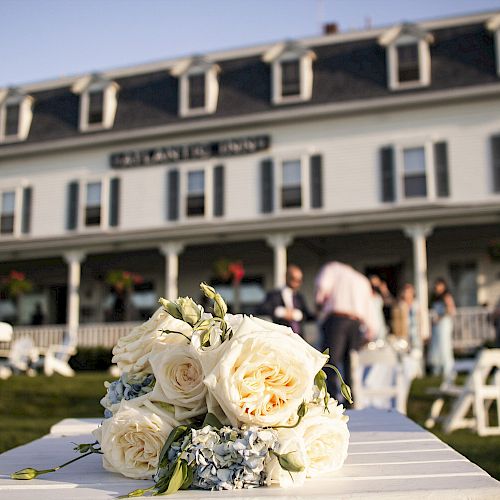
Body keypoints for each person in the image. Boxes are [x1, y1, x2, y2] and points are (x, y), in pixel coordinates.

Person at [315, 261, 378, 402]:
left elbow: (322, 286)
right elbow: (369, 306)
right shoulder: (362, 280)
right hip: (356, 323)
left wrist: (319, 302)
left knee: (330, 361)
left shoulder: (332, 268)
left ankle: (331, 399)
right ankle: (349, 400)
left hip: (337, 320)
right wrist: (371, 330)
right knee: (350, 361)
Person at [258, 264, 314, 336]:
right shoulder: (274, 295)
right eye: (293, 278)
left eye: (299, 280)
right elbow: (262, 309)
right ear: (286, 277)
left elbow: (307, 315)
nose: (296, 282)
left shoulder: (299, 297)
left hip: (298, 336)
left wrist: (297, 314)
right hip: (281, 336)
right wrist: (282, 312)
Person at [428, 278, 456, 378]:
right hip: (436, 325)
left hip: (444, 324)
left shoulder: (446, 296)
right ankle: (437, 369)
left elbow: (451, 310)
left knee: (445, 346)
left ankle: (448, 369)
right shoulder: (435, 297)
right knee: (436, 347)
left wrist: (440, 317)